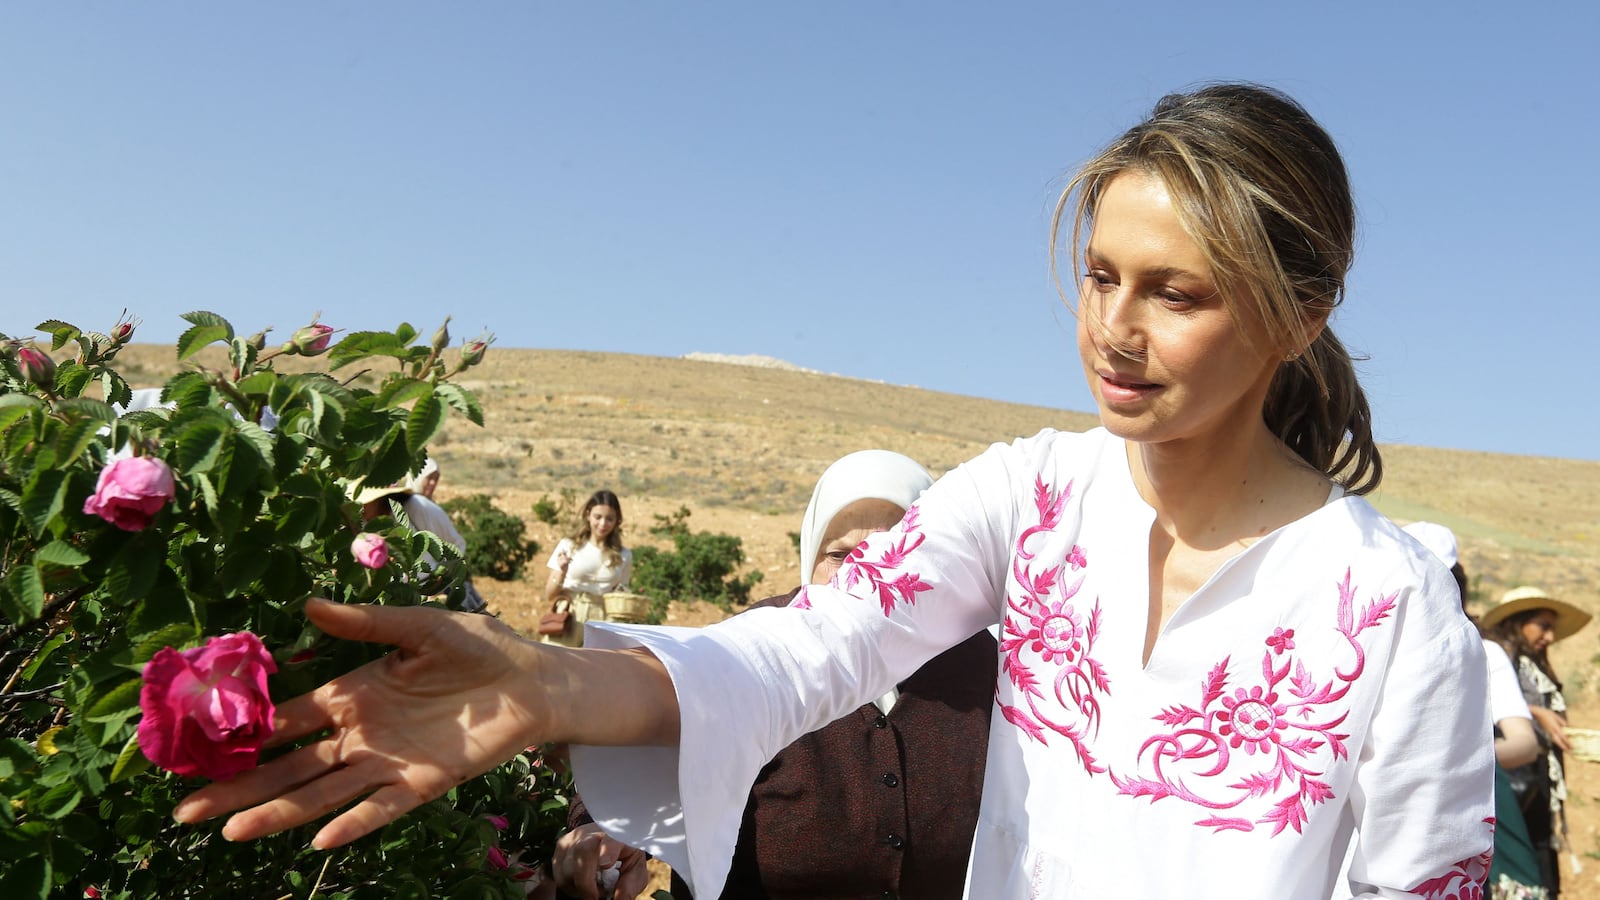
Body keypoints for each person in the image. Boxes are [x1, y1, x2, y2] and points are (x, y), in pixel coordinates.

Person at [172, 83, 1494, 900]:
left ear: (1300, 314)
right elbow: (817, 645)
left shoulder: (1390, 606)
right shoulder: (1031, 499)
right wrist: (549, 684)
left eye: (1176, 293)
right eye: (1101, 275)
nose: (1115, 329)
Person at [552, 451, 995, 899]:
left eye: (892, 555)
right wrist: (601, 827)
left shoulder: (980, 665)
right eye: (841, 556)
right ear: (812, 555)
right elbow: (666, 725)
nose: (865, 580)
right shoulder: (757, 647)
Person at [1404, 522, 1544, 899]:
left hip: (1463, 832)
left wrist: (1452, 761)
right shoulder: (1364, 650)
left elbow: (1524, 743)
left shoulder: (1482, 652)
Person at [1481, 586, 1592, 896]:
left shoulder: (1535, 666)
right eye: (1543, 626)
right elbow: (1495, 706)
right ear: (1519, 623)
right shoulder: (1500, 660)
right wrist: (1536, 714)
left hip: (1535, 777)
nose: (1550, 637)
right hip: (1511, 778)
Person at [355, 480, 486, 614]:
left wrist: (440, 585)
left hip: (438, 593)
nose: (359, 507)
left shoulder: (418, 507)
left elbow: (457, 545)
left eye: (363, 501)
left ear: (379, 497)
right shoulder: (358, 524)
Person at [541, 490, 632, 647]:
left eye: (609, 519)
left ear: (617, 520)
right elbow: (549, 594)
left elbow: (621, 592)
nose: (603, 524)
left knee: (597, 670)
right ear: (588, 515)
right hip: (569, 613)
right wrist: (562, 571)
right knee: (556, 666)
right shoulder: (568, 545)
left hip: (604, 619)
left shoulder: (624, 555)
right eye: (598, 517)